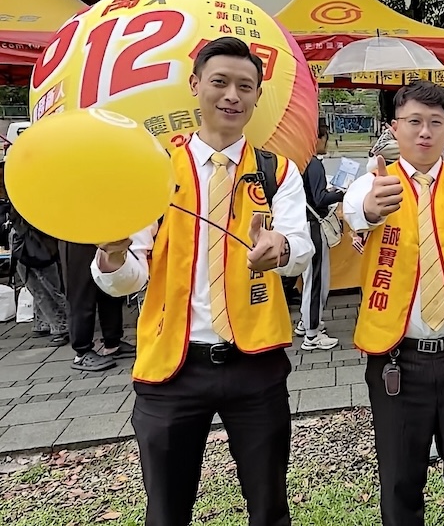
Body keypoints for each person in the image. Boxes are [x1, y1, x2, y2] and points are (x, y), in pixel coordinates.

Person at [91, 36, 314, 526]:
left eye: (245, 86)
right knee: (167, 511)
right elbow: (129, 277)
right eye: (220, 82)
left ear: (257, 96)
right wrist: (111, 256)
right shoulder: (154, 168)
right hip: (172, 366)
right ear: (196, 86)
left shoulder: (277, 171)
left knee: (270, 507)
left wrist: (281, 250)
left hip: (256, 364)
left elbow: (299, 248)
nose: (232, 95)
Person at [343, 81, 444, 526]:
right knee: (399, 480)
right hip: (398, 360)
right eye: (414, 122)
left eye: (436, 123)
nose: (424, 133)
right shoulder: (374, 184)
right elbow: (356, 208)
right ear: (394, 128)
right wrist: (371, 208)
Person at [296, 121, 344, 350]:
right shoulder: (313, 163)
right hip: (313, 226)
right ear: (317, 138)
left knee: (308, 280)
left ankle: (304, 324)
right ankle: (312, 334)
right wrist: (341, 193)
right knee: (317, 281)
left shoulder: (297, 162)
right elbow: (319, 198)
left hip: (302, 224)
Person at [60, 241, 130, 371]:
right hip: (75, 233)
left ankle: (113, 343)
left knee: (109, 284)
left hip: (100, 232)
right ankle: (82, 352)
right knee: (81, 292)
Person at [9, 203, 68, 346]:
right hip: (26, 239)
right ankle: (46, 322)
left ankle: (62, 324)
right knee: (36, 285)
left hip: (36, 240)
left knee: (46, 285)